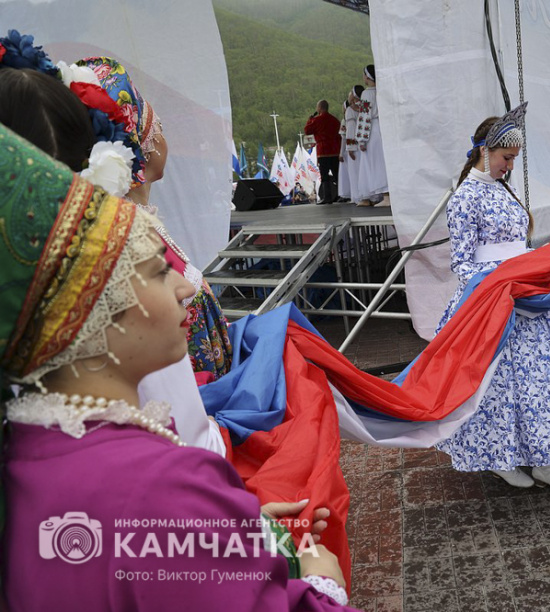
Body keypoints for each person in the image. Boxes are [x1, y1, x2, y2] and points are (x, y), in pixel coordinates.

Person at [0, 121, 356, 610]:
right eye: (156, 270)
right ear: (90, 307)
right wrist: (321, 579)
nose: (186, 287)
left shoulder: (30, 451)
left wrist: (230, 538)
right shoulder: (153, 487)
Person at [434, 103, 550, 499]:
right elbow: (462, 262)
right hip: (493, 303)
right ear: (485, 151)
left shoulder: (503, 191)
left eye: (513, 159)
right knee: (500, 388)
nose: (510, 165)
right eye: (507, 157)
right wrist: (501, 287)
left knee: (539, 383)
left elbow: (520, 245)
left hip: (527, 298)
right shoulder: (464, 198)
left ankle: (546, 461)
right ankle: (500, 459)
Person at [76, 56, 234, 383]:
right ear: (144, 146)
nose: (163, 138)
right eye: (158, 127)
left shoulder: (124, 222)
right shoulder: (130, 233)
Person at [354, 65, 388, 207]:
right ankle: (382, 195)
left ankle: (386, 196)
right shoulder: (382, 91)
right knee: (382, 162)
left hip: (372, 131)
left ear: (367, 77)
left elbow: (364, 116)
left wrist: (361, 138)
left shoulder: (367, 94)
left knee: (375, 164)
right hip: (383, 128)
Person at [304, 99, 342, 205]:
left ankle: (327, 197)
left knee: (324, 175)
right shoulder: (335, 120)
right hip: (335, 151)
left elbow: (307, 131)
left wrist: (310, 120)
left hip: (323, 151)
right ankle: (342, 195)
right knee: (337, 175)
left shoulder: (317, 120)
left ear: (319, 108)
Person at [337, 86, 363, 203]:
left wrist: (350, 147)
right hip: (364, 143)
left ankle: (359, 196)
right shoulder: (364, 107)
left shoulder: (350, 111)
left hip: (355, 146)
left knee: (355, 173)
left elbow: (350, 131)